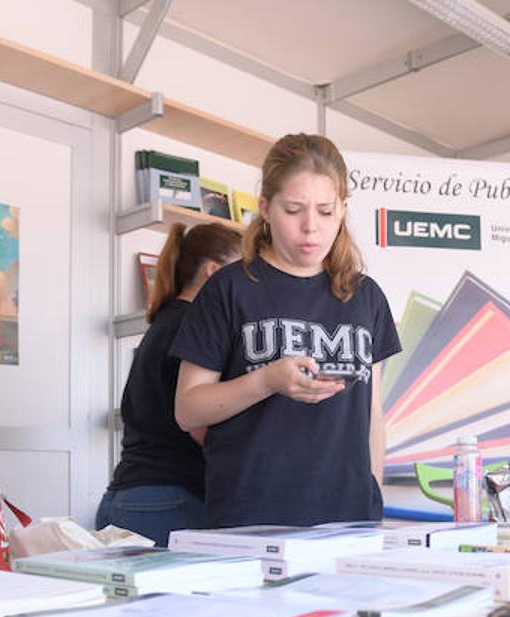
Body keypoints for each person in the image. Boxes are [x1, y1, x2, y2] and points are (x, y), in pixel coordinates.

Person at [171, 133, 401, 528]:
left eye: (326, 211)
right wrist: (266, 381)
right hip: (251, 521)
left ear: (344, 209)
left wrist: (371, 496)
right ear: (265, 208)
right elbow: (187, 410)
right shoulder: (229, 289)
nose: (311, 228)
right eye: (294, 210)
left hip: (349, 522)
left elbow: (371, 416)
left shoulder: (366, 297)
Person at [96, 222, 241, 545]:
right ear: (212, 271)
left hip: (127, 498)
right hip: (171, 500)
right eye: (240, 274)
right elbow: (198, 425)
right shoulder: (195, 328)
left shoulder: (164, 323)